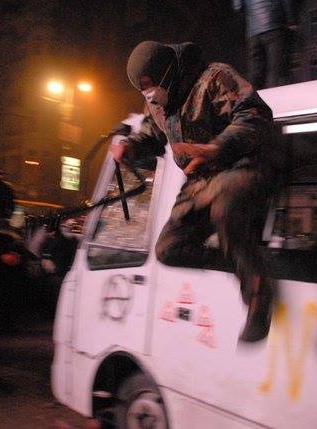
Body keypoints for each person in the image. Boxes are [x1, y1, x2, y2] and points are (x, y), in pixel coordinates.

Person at [111, 40, 283, 342]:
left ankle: (259, 294)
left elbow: (255, 115)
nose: (148, 94)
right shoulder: (158, 104)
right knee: (168, 249)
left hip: (241, 163)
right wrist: (130, 148)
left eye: (150, 85)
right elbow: (152, 136)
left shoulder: (215, 78)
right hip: (201, 179)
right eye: (142, 89)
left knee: (225, 210)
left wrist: (216, 147)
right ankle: (240, 262)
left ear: (165, 72)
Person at [232, 0, 297, 89]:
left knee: (255, 71)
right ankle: (274, 96)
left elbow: (238, 7)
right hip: (275, 27)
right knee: (276, 70)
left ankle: (253, 96)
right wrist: (291, 20)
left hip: (253, 33)